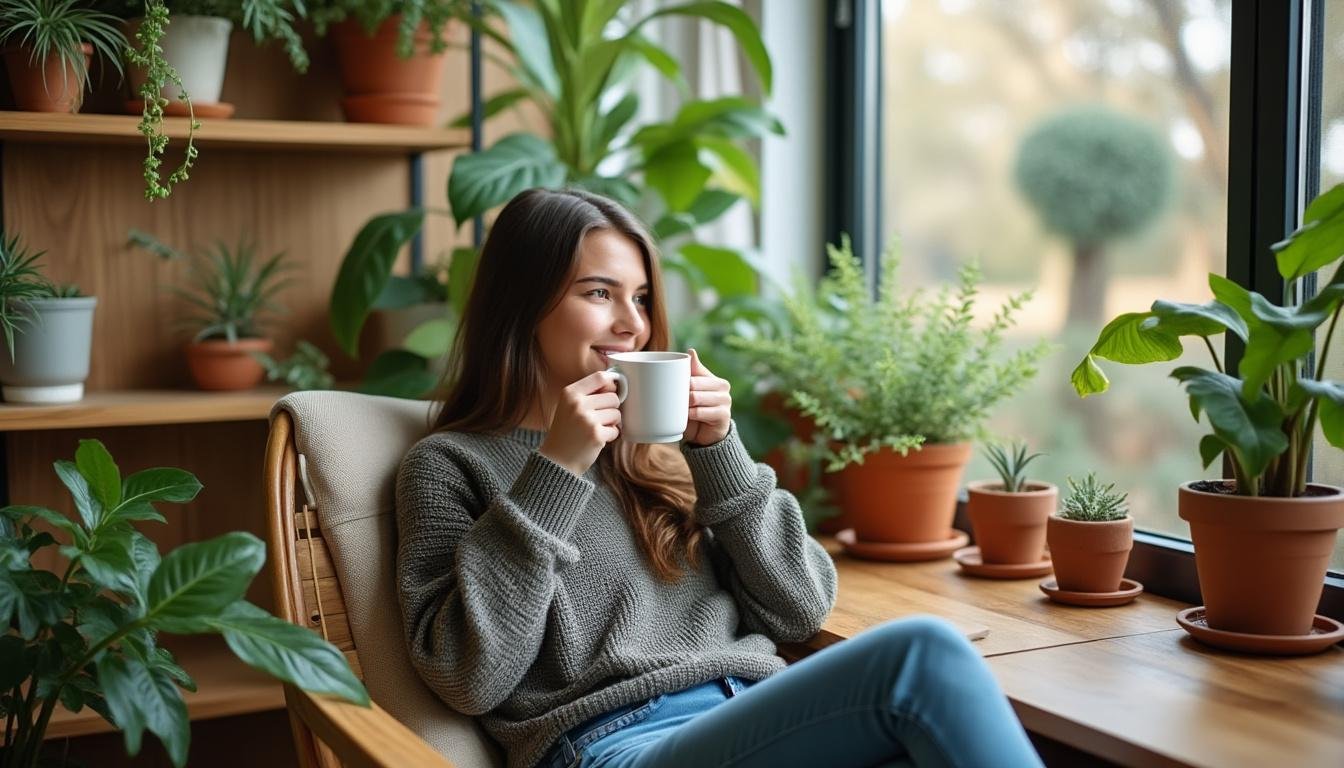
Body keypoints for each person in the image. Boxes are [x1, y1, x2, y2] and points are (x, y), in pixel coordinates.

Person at [395, 188, 1044, 768]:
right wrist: (558, 469)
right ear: (522, 303)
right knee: (922, 658)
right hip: (615, 744)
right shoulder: (450, 466)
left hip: (751, 717)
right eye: (600, 292)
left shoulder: (657, 456)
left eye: (642, 298)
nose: (634, 323)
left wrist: (718, 452)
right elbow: (467, 675)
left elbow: (799, 609)